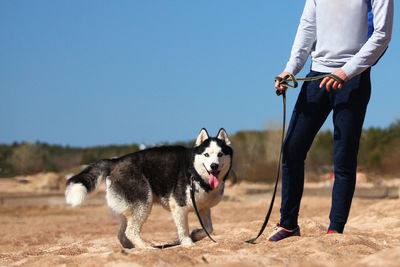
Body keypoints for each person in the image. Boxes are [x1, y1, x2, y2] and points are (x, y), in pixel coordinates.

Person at [268, 0, 394, 242]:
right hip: (317, 75)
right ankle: (288, 224)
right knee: (292, 148)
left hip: (353, 78)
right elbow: (306, 29)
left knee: (344, 156)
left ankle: (335, 228)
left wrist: (347, 71)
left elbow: (382, 35)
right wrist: (290, 70)